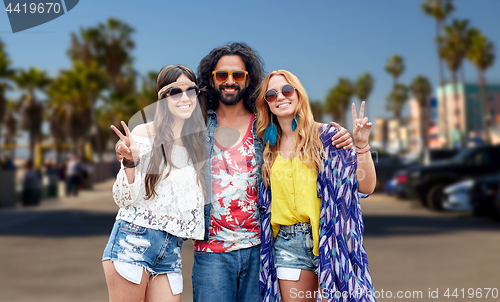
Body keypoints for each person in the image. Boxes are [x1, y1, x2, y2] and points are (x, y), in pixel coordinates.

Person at [192, 43, 354, 302]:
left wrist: (342, 136)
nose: (230, 81)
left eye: (238, 75)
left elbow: (302, 132)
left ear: (249, 80)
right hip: (211, 252)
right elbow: (165, 137)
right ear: (211, 81)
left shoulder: (264, 127)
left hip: (259, 248)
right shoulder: (198, 124)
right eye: (222, 75)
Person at [256, 70, 376, 302]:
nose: (280, 97)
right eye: (271, 94)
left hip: (331, 240)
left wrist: (361, 145)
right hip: (287, 246)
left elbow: (366, 186)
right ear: (267, 104)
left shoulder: (328, 138)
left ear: (299, 95)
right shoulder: (266, 149)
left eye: (286, 90)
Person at [103, 65, 207, 302]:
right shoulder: (144, 134)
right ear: (162, 98)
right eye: (175, 92)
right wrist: (130, 162)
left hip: (171, 251)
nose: (184, 98)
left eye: (190, 90)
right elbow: (123, 199)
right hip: (133, 240)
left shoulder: (196, 145)